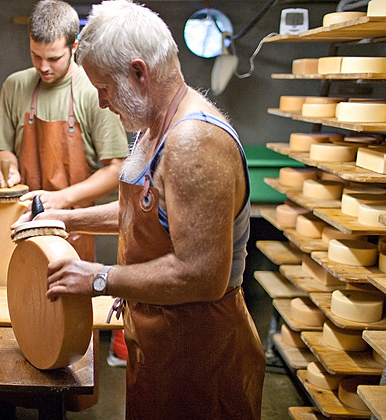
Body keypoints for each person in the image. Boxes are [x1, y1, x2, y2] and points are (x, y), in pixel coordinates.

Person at [20, 1, 266, 418]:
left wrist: (100, 278)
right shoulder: (156, 126)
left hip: (201, 351)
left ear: (139, 72)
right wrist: (62, 218)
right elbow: (145, 216)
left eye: (104, 87)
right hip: (162, 339)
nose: (100, 102)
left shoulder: (193, 143)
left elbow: (202, 275)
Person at [0, 0, 129, 262]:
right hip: (21, 220)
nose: (44, 67)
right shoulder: (15, 86)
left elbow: (115, 169)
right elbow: (3, 149)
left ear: (74, 47)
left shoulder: (93, 90)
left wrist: (61, 199)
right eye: (36, 56)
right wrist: (8, 169)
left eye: (54, 58)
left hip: (71, 225)